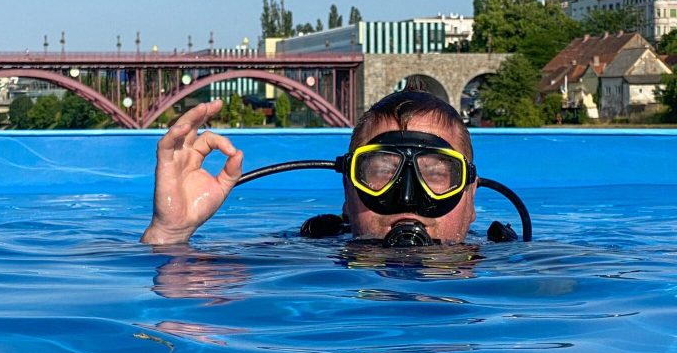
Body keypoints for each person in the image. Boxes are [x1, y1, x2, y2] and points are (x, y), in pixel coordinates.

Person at [141, 84, 478, 247]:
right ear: (348, 190)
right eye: (381, 172)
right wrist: (169, 234)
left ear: (470, 195)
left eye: (435, 174)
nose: (407, 199)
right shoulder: (298, 258)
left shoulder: (520, 269)